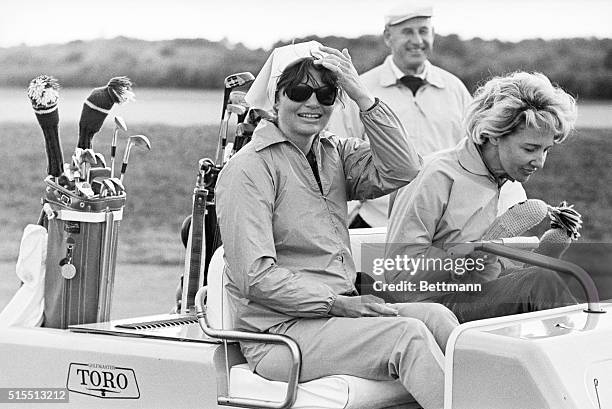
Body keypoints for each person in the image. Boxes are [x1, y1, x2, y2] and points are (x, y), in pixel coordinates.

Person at [216, 41, 459, 409]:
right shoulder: (249, 169)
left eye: (327, 93)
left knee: (437, 317)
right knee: (406, 335)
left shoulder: (336, 152)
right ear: (276, 97)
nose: (313, 103)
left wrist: (363, 96)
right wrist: (337, 305)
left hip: (335, 318)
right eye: (299, 91)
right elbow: (256, 276)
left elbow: (405, 167)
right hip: (279, 335)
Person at [384, 71, 579, 323]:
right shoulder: (435, 175)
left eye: (547, 150)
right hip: (435, 307)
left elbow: (504, 275)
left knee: (546, 279)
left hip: (484, 297)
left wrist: (530, 259)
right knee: (541, 283)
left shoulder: (513, 185)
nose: (539, 162)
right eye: (530, 148)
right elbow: (399, 276)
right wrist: (476, 251)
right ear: (494, 134)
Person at [328, 2, 525, 227]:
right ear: (387, 36)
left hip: (447, 225)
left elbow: (483, 151)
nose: (417, 41)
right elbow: (338, 160)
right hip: (378, 224)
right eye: (407, 32)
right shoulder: (360, 89)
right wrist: (346, 222)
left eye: (423, 31)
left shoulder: (455, 88)